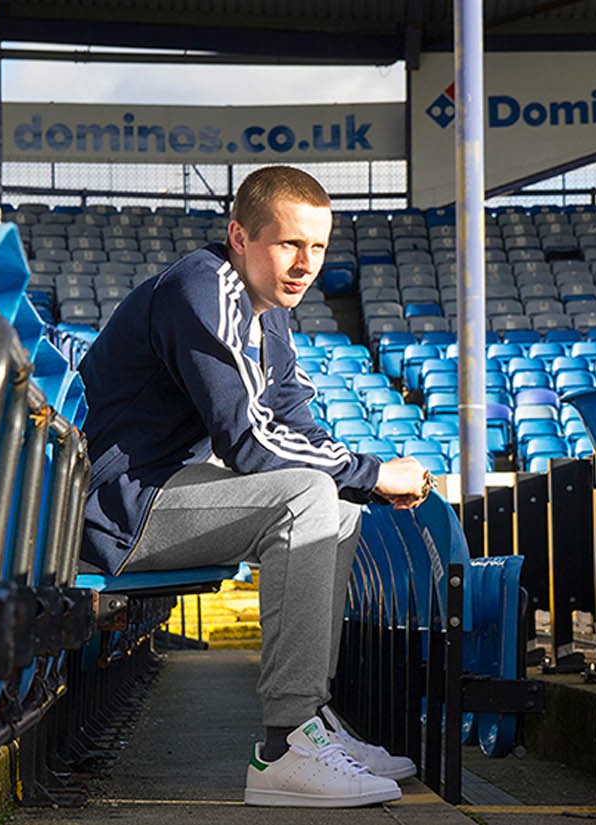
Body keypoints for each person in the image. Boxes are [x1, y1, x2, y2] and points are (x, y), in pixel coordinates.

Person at [77, 165, 431, 807]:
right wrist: (376, 474)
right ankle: (282, 747)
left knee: (339, 507)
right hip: (117, 510)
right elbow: (248, 443)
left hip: (163, 493)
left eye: (318, 247)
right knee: (309, 497)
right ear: (239, 236)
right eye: (289, 244)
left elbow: (293, 419)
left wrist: (362, 480)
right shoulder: (202, 289)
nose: (306, 264)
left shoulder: (267, 311)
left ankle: (310, 722)